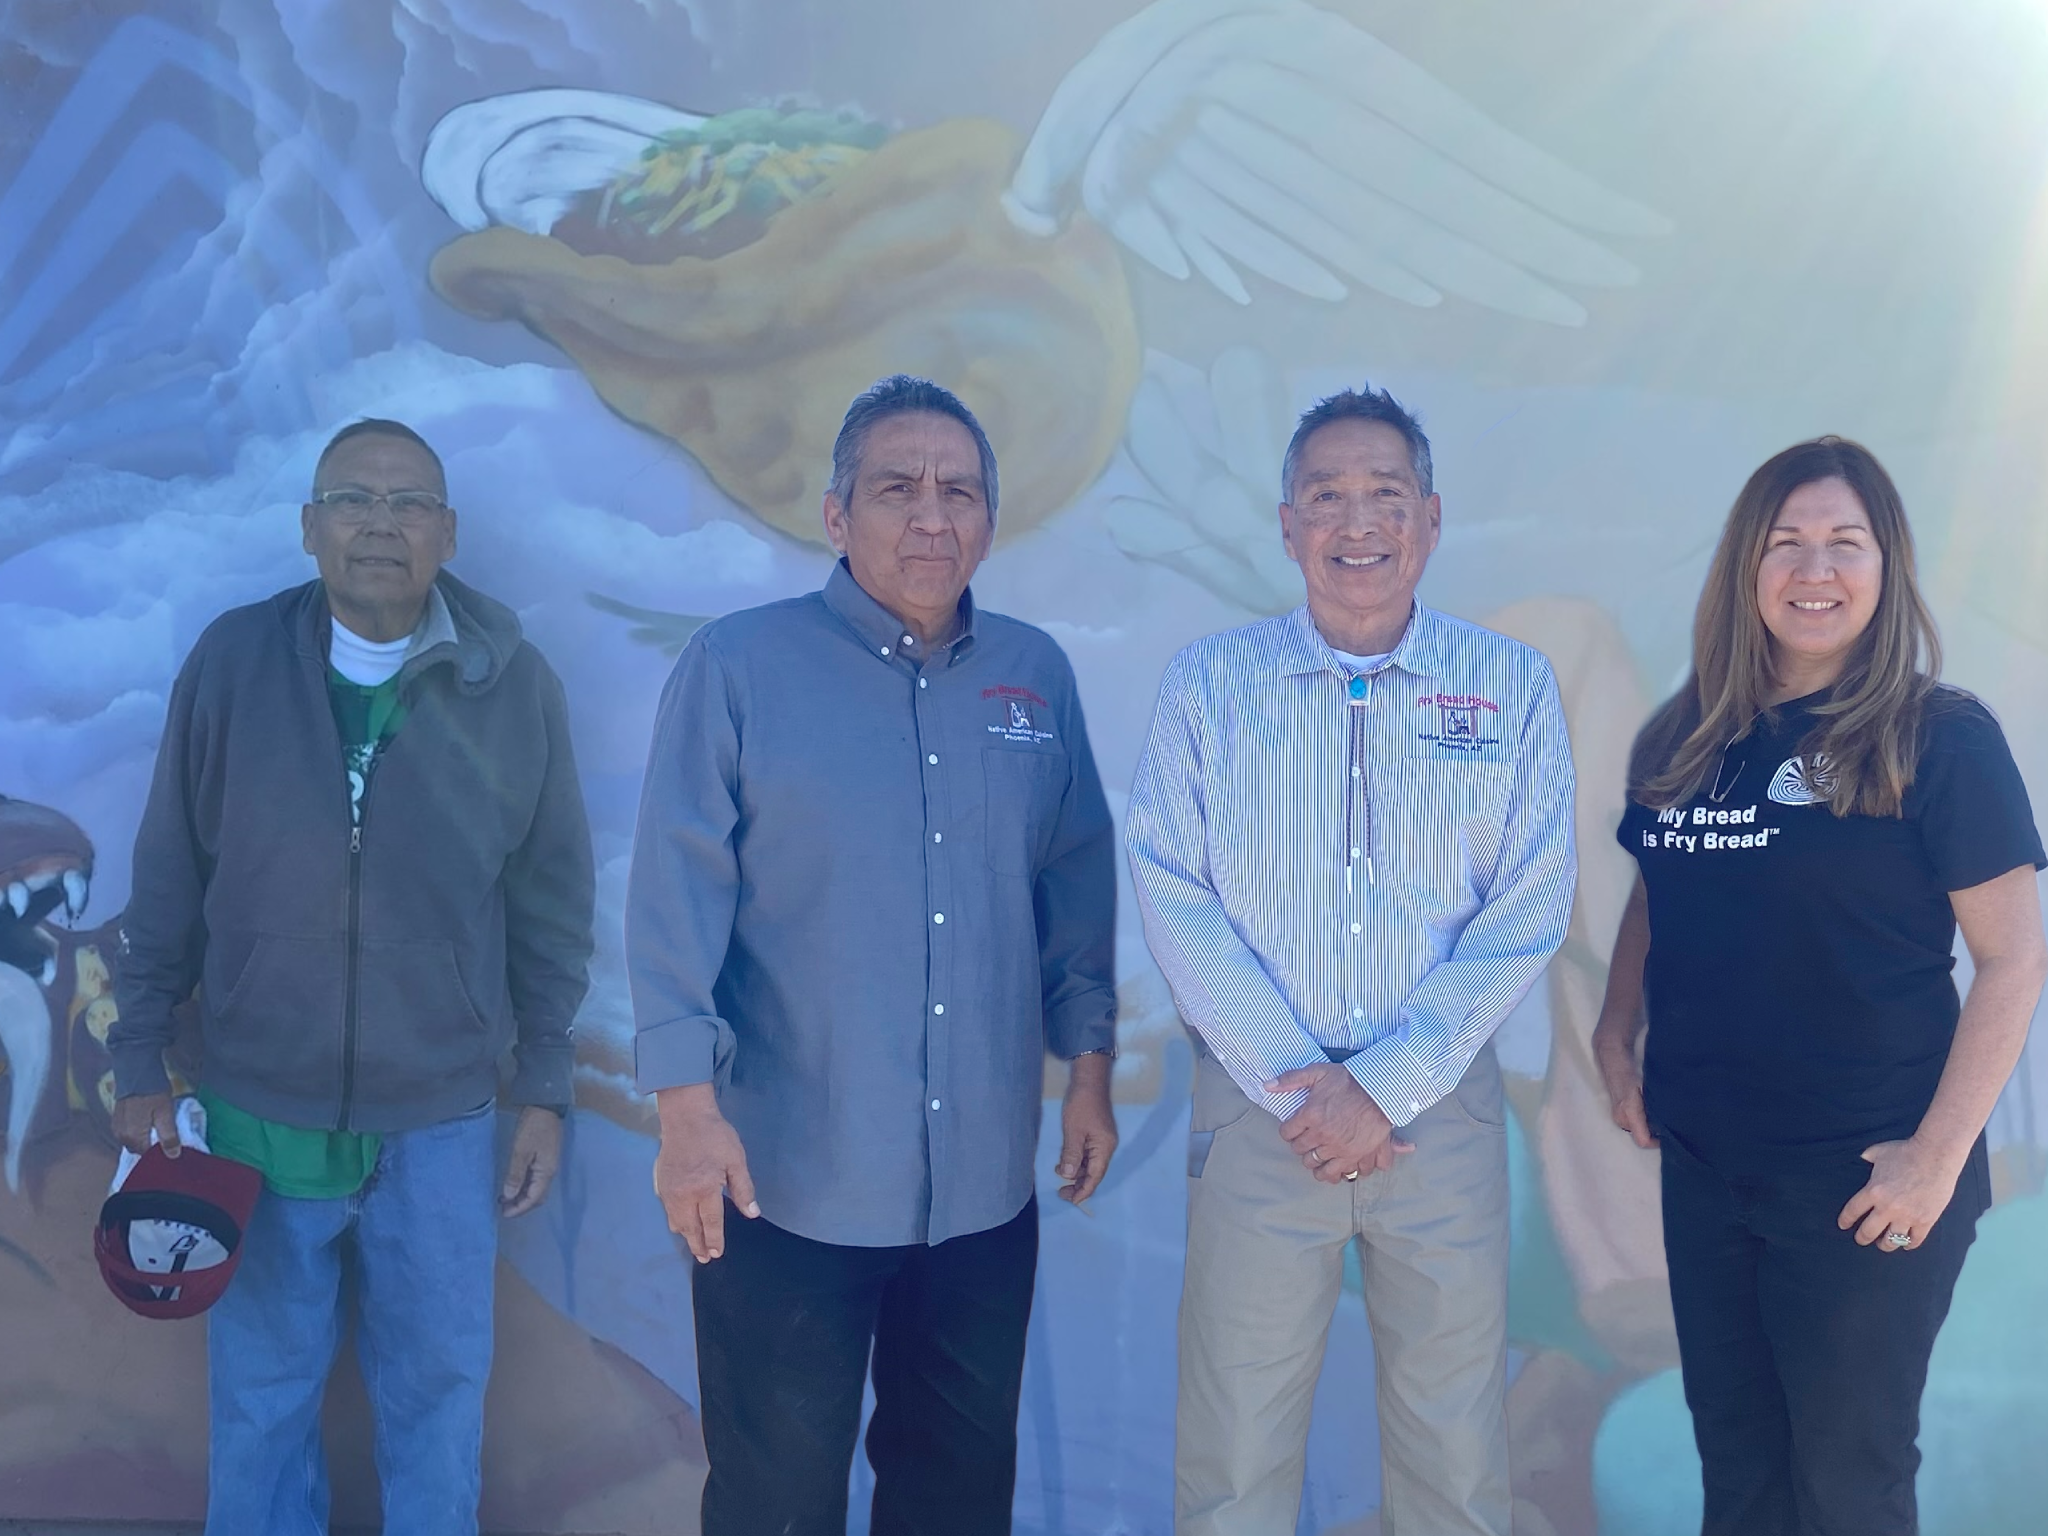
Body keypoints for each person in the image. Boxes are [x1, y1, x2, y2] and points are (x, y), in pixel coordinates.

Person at [627, 374, 1119, 1536]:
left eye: (959, 491)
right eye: (896, 488)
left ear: (990, 519)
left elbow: (1074, 882)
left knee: (954, 1500)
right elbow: (673, 899)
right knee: (774, 1504)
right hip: (785, 1180)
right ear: (836, 514)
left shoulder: (1033, 677)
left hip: (980, 1192)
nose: (931, 516)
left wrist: (1087, 1066)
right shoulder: (737, 668)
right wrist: (685, 1114)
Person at [110, 418, 595, 1534]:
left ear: (450, 534)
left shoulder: (514, 687)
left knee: (436, 1400)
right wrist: (139, 1055)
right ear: (308, 527)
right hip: (257, 1109)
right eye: (353, 499)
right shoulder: (233, 662)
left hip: (440, 1113)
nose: (382, 522)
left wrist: (546, 1082)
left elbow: (552, 903)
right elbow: (170, 871)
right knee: (263, 1404)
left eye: (410, 502)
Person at [1126, 386, 1577, 1536]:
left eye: (1383, 494)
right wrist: (1298, 1079)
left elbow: (1527, 908)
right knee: (1230, 1457)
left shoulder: (1510, 686)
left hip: (1439, 1118)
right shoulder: (1209, 687)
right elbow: (1173, 893)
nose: (1355, 521)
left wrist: (1381, 1085)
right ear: (1287, 526)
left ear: (1428, 520)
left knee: (1453, 1461)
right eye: (1325, 496)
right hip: (1261, 1113)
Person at [1591, 436, 2048, 1535]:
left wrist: (1934, 1161)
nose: (1813, 569)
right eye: (1785, 543)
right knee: (1739, 1480)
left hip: (1863, 1182)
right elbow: (1658, 888)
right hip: (1707, 1174)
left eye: (1843, 543)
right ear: (1745, 567)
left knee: (1844, 1488)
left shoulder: (1939, 739)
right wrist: (1614, 1033)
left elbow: (2013, 959)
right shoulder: (1686, 731)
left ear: (1883, 567)